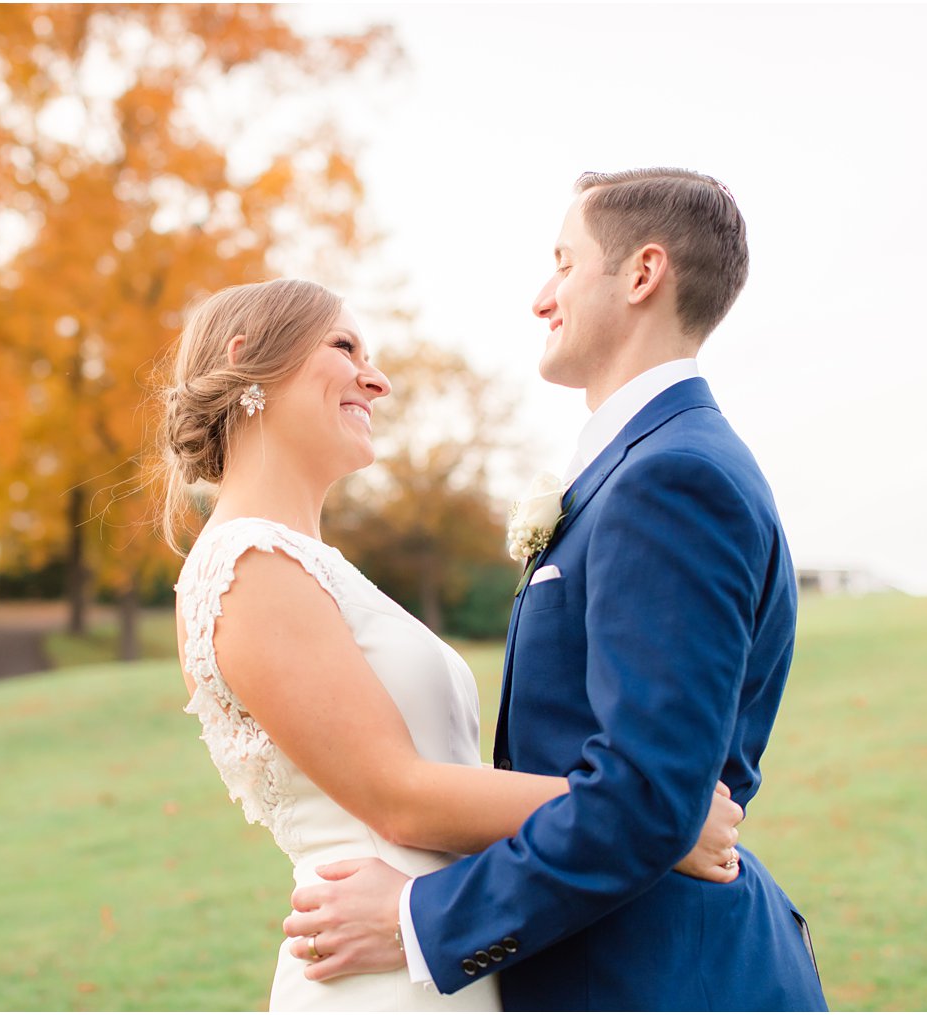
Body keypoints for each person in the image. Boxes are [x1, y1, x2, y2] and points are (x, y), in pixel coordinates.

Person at [281, 169, 830, 1011]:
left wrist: (418, 919)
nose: (543, 296)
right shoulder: (652, 465)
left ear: (643, 274)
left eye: (564, 263)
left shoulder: (672, 478)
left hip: (654, 977)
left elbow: (649, 795)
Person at [163, 277, 747, 1012]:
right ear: (250, 361)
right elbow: (398, 794)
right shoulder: (244, 566)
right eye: (344, 347)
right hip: (377, 971)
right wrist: (653, 818)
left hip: (434, 944)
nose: (376, 378)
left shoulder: (311, 565)